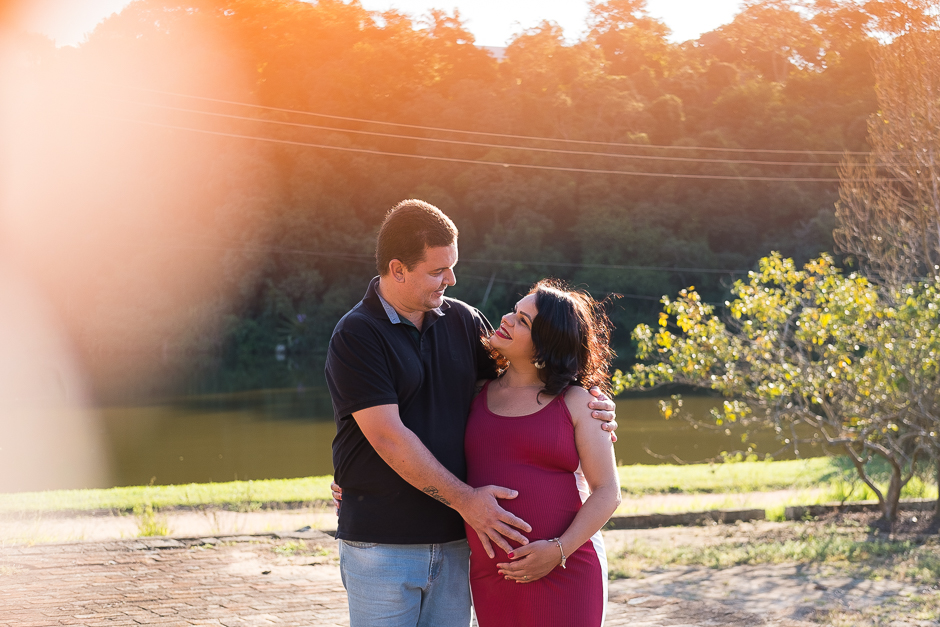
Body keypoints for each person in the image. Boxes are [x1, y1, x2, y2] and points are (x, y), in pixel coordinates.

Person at [324, 199, 617, 627]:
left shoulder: (462, 321)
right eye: (438, 270)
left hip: (458, 543)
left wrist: (594, 403)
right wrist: (467, 501)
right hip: (383, 543)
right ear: (398, 269)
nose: (451, 279)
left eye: (453, 266)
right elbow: (387, 436)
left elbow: (529, 377)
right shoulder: (357, 334)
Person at [464, 279, 621, 627]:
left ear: (545, 344)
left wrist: (558, 551)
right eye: (514, 311)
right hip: (494, 574)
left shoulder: (580, 403)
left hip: (567, 569)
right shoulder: (473, 393)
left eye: (523, 320)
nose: (506, 319)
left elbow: (608, 492)